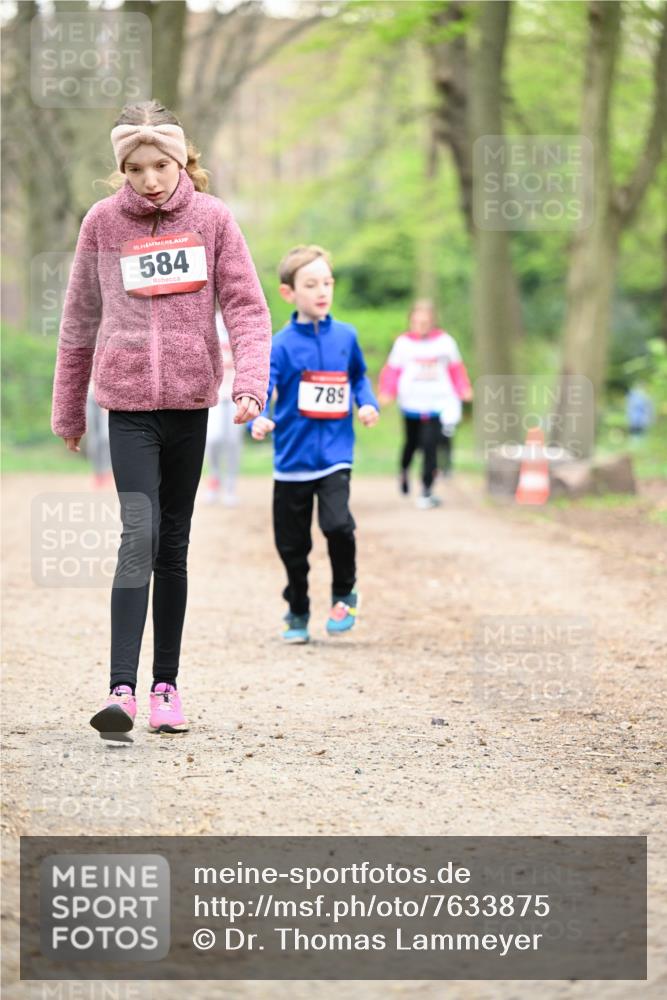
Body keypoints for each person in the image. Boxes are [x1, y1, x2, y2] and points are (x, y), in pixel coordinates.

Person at [51, 99, 271, 740]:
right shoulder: (101, 224)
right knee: (137, 536)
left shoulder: (213, 220)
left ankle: (166, 688)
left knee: (172, 546)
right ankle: (120, 690)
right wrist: (70, 408)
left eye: (160, 165)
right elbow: (78, 321)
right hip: (127, 406)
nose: (149, 179)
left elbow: (249, 311)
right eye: (136, 167)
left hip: (190, 402)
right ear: (122, 169)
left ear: (182, 161)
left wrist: (250, 386)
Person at [251, 245, 379, 644]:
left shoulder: (346, 336)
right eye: (311, 284)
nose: (322, 291)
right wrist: (258, 415)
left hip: (335, 455)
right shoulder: (282, 343)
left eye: (327, 283)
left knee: (338, 524)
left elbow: (358, 376)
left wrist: (367, 403)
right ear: (289, 293)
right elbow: (264, 385)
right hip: (292, 458)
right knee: (292, 544)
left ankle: (344, 593)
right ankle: (298, 608)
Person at [378, 300, 471, 508]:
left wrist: (463, 388)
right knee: (411, 444)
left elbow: (456, 369)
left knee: (431, 446)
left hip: (437, 402)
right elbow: (392, 371)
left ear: (432, 321)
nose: (421, 324)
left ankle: (426, 491)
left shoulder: (445, 342)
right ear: (410, 321)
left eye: (425, 321)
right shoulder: (403, 344)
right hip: (411, 403)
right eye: (417, 321)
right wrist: (387, 392)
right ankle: (403, 471)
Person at [203, 309, 245, 506]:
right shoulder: (208, 320)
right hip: (215, 393)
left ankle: (230, 484)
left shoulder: (240, 322)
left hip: (236, 393)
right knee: (213, 439)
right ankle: (214, 478)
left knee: (232, 441)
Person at [85, 382, 113, 489]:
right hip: (89, 396)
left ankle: (107, 471)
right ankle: (97, 473)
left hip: (105, 395)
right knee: (93, 441)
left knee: (105, 438)